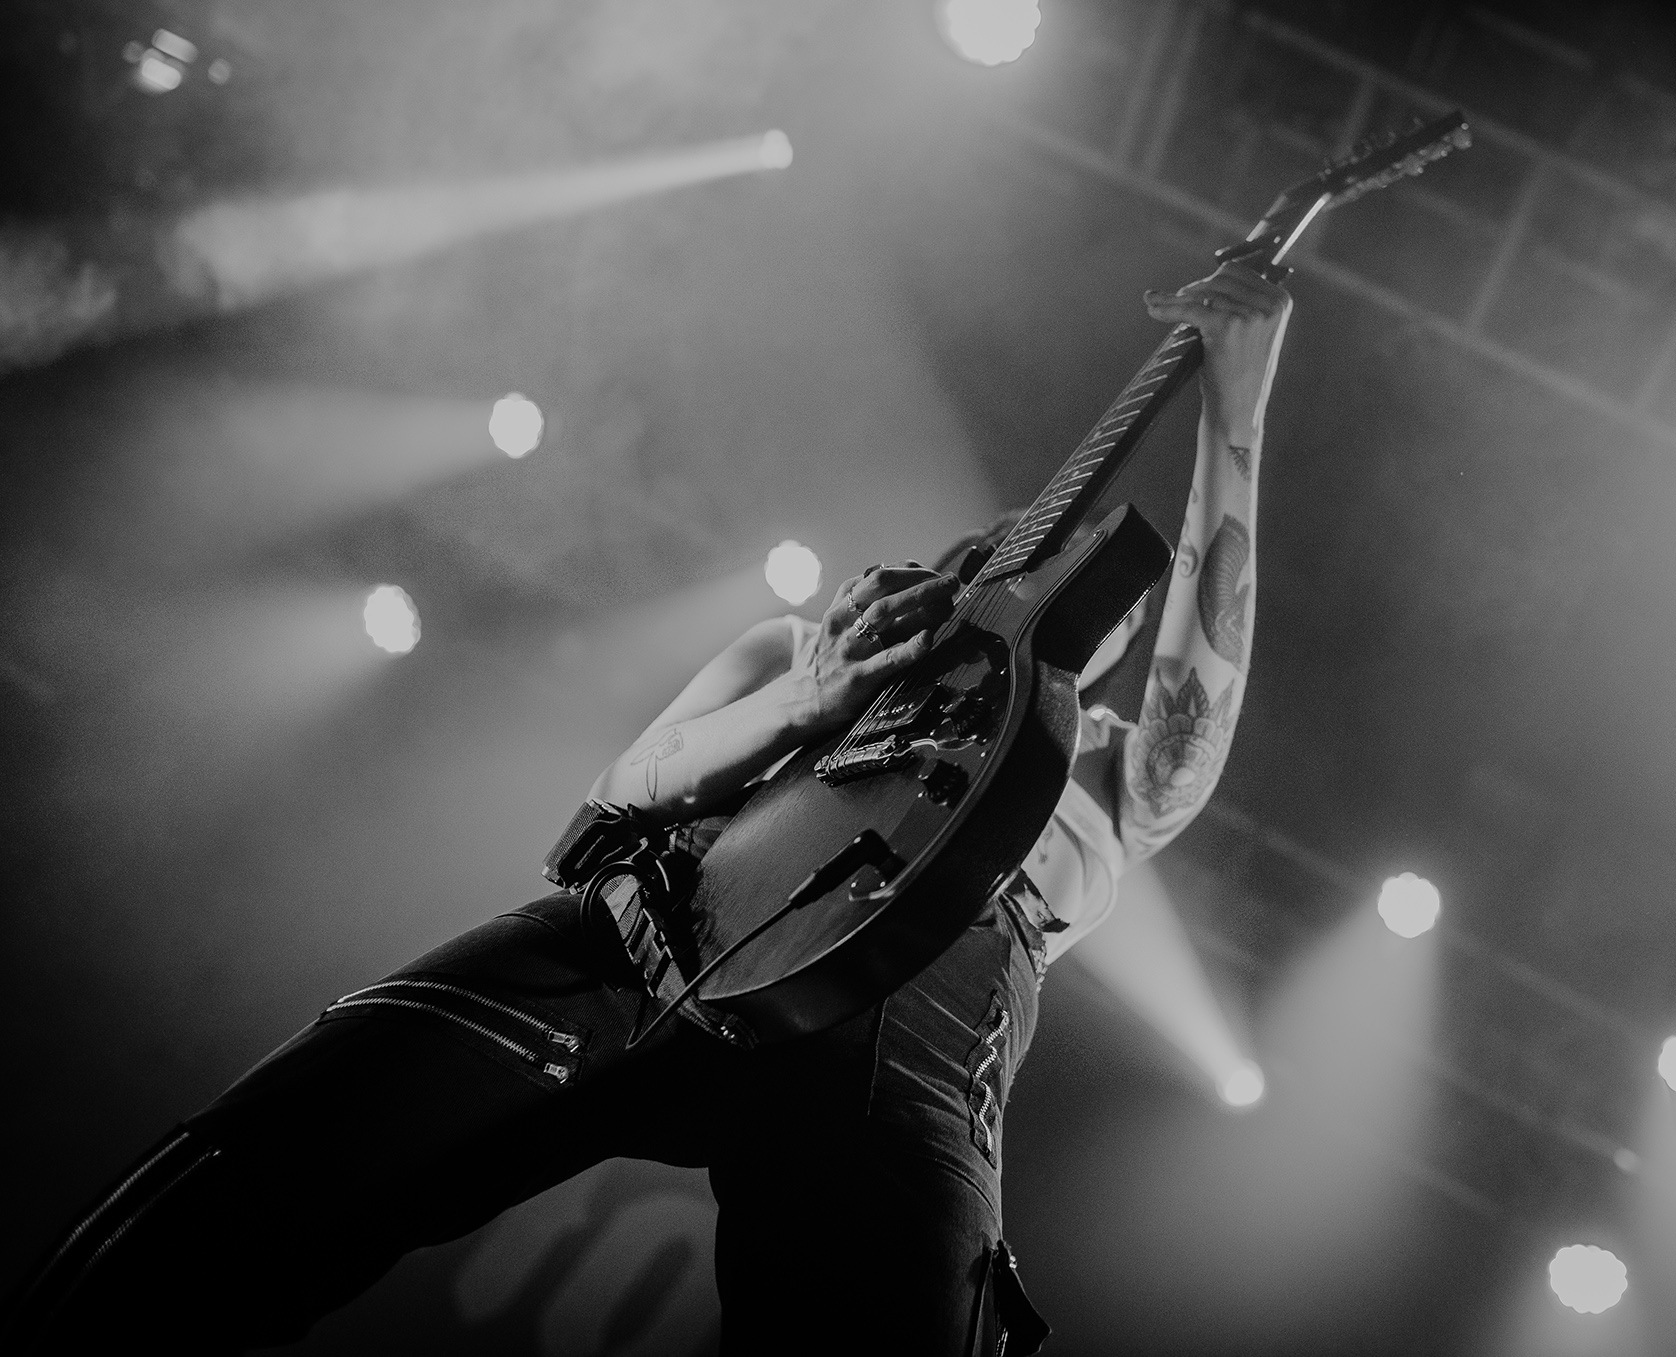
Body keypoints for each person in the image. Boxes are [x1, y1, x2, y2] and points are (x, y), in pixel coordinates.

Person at [6, 262, 1290, 1354]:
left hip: (909, 1038)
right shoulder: (805, 651)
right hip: (658, 923)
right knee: (274, 1165)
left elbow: (1201, 695)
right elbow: (618, 796)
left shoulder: (1091, 767)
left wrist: (1237, 402)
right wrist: (809, 699)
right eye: (1001, 554)